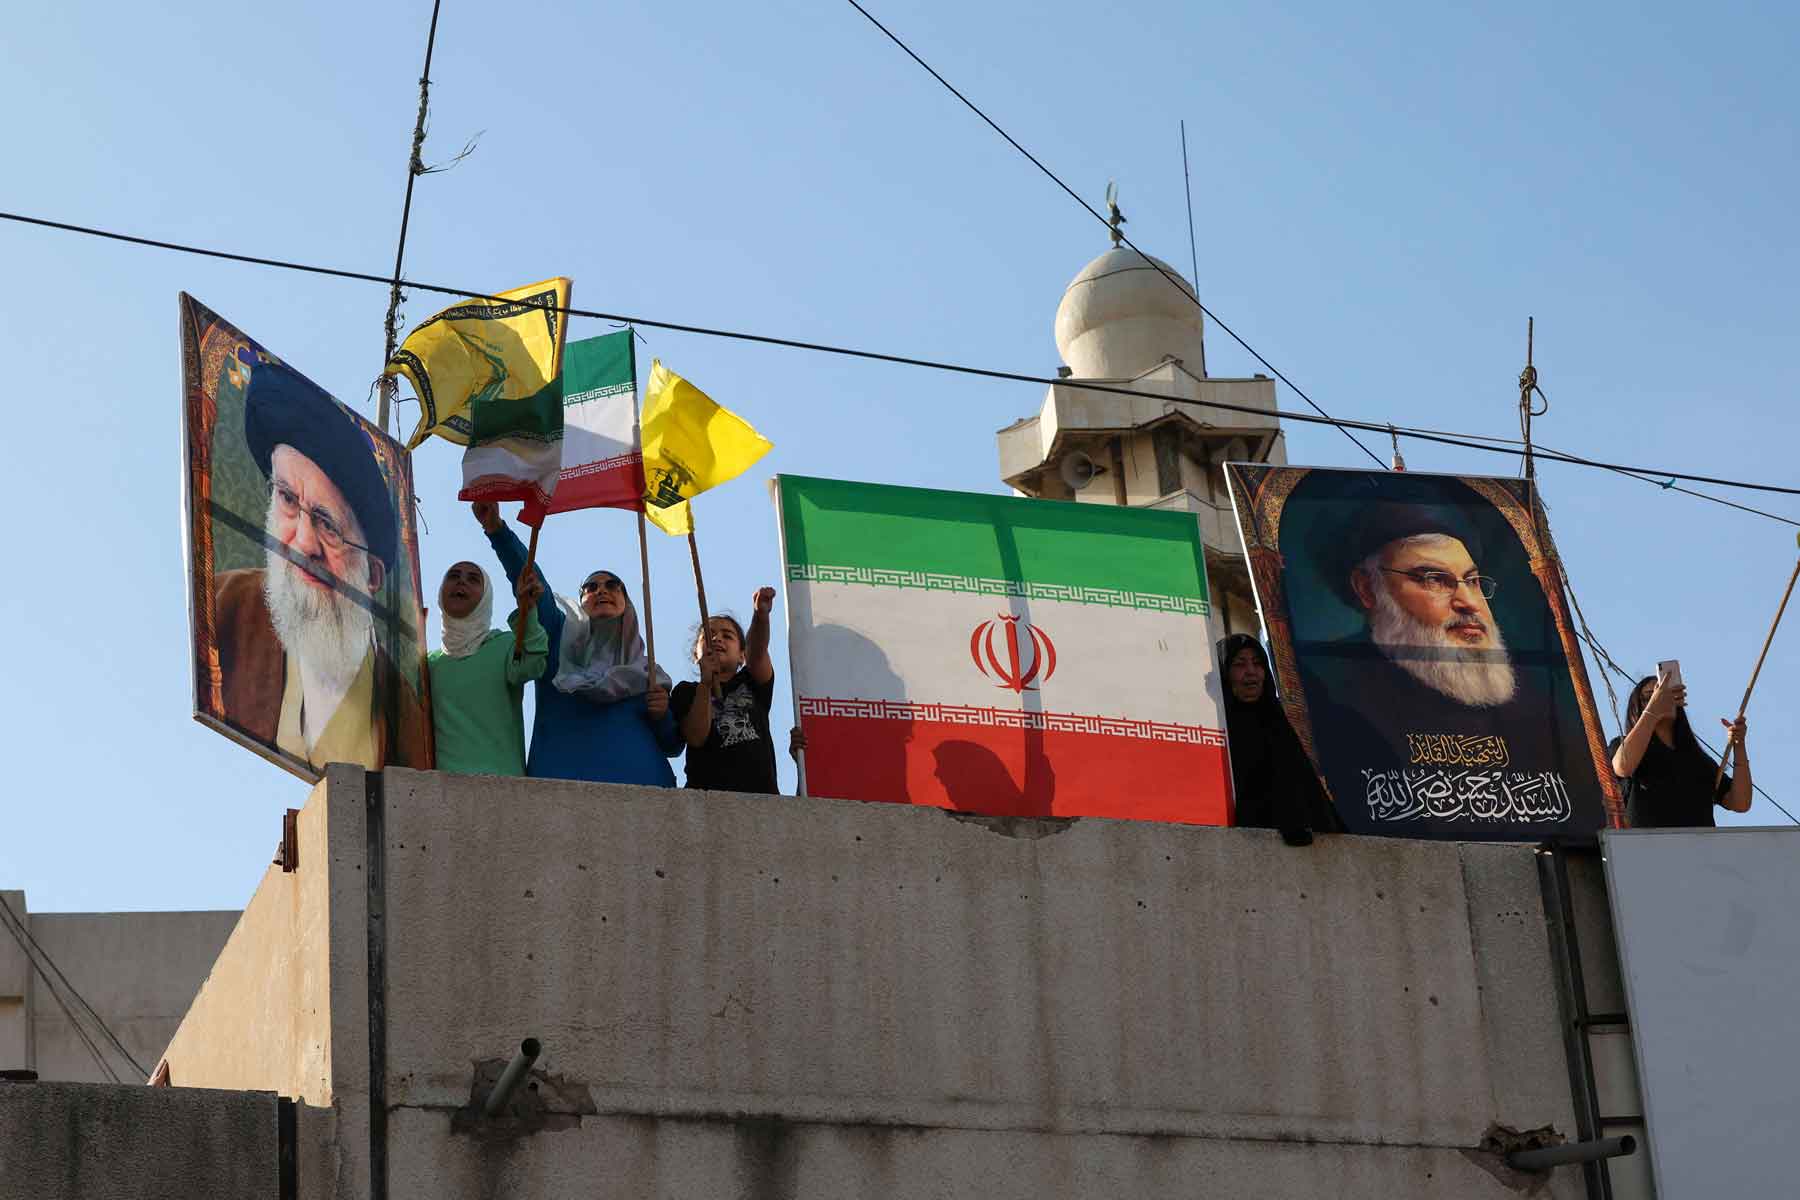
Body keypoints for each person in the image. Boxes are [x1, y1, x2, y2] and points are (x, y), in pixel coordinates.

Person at [1296, 497, 1597, 831]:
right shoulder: (1326, 685)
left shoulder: (1536, 702)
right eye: (1434, 580)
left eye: (1473, 581)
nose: (1468, 603)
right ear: (1367, 588)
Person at [212, 360, 429, 772]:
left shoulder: (407, 721)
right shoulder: (223, 608)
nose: (305, 543)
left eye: (328, 524)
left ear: (373, 576)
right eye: (288, 500)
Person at [475, 502, 681, 784]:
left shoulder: (647, 672)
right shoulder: (558, 640)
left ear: (627, 603)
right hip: (559, 796)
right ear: (581, 600)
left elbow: (673, 744)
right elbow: (531, 579)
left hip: (645, 802)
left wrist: (662, 715)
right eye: (591, 587)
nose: (601, 591)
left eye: (612, 585)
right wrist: (497, 530)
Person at [426, 558, 548, 776]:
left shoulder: (504, 645)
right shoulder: (427, 665)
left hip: (502, 791)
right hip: (442, 795)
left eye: (473, 579)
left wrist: (527, 610)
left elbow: (533, 665)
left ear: (486, 597)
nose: (461, 582)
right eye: (453, 576)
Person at [1218, 634, 1340, 845]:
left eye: (1258, 664)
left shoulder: (1275, 720)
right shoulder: (1217, 724)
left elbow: (1298, 781)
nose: (1251, 672)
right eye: (1239, 664)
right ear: (1224, 673)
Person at [672, 589, 780, 793]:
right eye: (709, 635)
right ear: (696, 654)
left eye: (727, 636)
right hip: (709, 803)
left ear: (741, 655)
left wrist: (760, 616)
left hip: (762, 801)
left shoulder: (750, 682)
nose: (717, 639)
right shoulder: (686, 691)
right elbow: (696, 737)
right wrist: (705, 683)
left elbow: (757, 651)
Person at [1609, 673, 1752, 827]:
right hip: (1647, 846)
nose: (1662, 699)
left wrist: (1739, 745)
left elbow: (1740, 802)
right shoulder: (1625, 746)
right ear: (1637, 708)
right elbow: (1622, 766)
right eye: (1650, 697)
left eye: (1668, 694)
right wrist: (1654, 711)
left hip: (1698, 848)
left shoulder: (1697, 760)